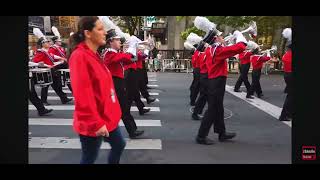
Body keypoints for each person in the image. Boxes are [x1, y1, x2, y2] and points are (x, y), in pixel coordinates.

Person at [68, 16, 126, 164]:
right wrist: (96, 122)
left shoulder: (93, 54)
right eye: (100, 29)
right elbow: (83, 95)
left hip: (106, 115)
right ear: (88, 33)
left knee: (119, 144)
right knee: (89, 158)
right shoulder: (79, 56)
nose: (104, 32)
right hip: (93, 120)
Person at [196, 31, 247, 145]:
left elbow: (229, 49)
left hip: (215, 81)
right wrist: (239, 35)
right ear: (215, 38)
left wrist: (227, 42)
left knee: (219, 109)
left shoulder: (213, 49)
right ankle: (201, 136)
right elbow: (240, 47)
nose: (223, 37)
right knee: (212, 110)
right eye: (220, 36)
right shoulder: (216, 50)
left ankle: (221, 133)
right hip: (216, 81)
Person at [103, 29, 144, 138]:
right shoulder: (109, 53)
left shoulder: (116, 53)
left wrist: (141, 52)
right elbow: (124, 57)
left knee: (123, 109)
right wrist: (131, 48)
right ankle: (129, 131)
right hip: (114, 84)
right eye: (117, 40)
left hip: (118, 83)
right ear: (111, 41)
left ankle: (132, 130)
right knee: (121, 109)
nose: (120, 42)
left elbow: (130, 59)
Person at [32, 32, 72, 106]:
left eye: (48, 42)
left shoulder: (46, 52)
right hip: (47, 71)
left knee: (56, 85)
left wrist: (61, 58)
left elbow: (53, 56)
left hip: (52, 70)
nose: (49, 43)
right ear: (42, 44)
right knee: (46, 86)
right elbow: (35, 61)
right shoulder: (41, 52)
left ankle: (64, 98)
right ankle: (44, 101)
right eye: (47, 42)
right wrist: (45, 65)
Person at [192, 45, 209, 120]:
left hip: (203, 74)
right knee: (203, 95)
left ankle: (198, 111)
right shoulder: (203, 54)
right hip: (205, 74)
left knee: (204, 95)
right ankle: (196, 111)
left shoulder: (202, 54)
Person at [279, 44, 292, 121]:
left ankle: (289, 114)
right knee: (290, 96)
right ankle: (284, 115)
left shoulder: (285, 55)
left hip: (287, 75)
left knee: (291, 95)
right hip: (291, 75)